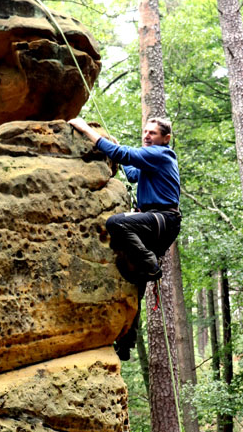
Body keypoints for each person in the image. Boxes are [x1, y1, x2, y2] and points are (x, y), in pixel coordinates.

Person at [68, 116, 181, 360]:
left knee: (115, 223)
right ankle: (127, 343)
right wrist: (116, 147)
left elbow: (125, 155)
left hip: (163, 220)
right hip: (157, 222)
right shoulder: (151, 159)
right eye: (145, 132)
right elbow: (132, 174)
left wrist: (86, 129)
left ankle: (151, 264)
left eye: (153, 132)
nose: (147, 136)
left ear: (166, 139)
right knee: (136, 284)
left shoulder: (161, 154)